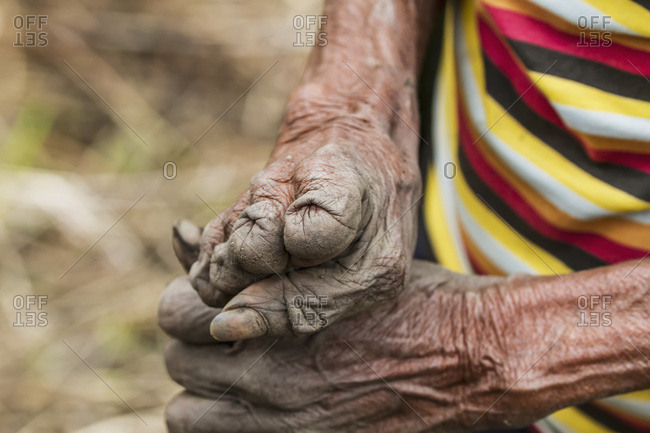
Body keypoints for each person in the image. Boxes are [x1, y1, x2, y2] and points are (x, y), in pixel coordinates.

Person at [161, 0, 650, 431]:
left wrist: (485, 350)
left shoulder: (466, 359)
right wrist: (351, 103)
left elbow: (474, 354)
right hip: (432, 260)